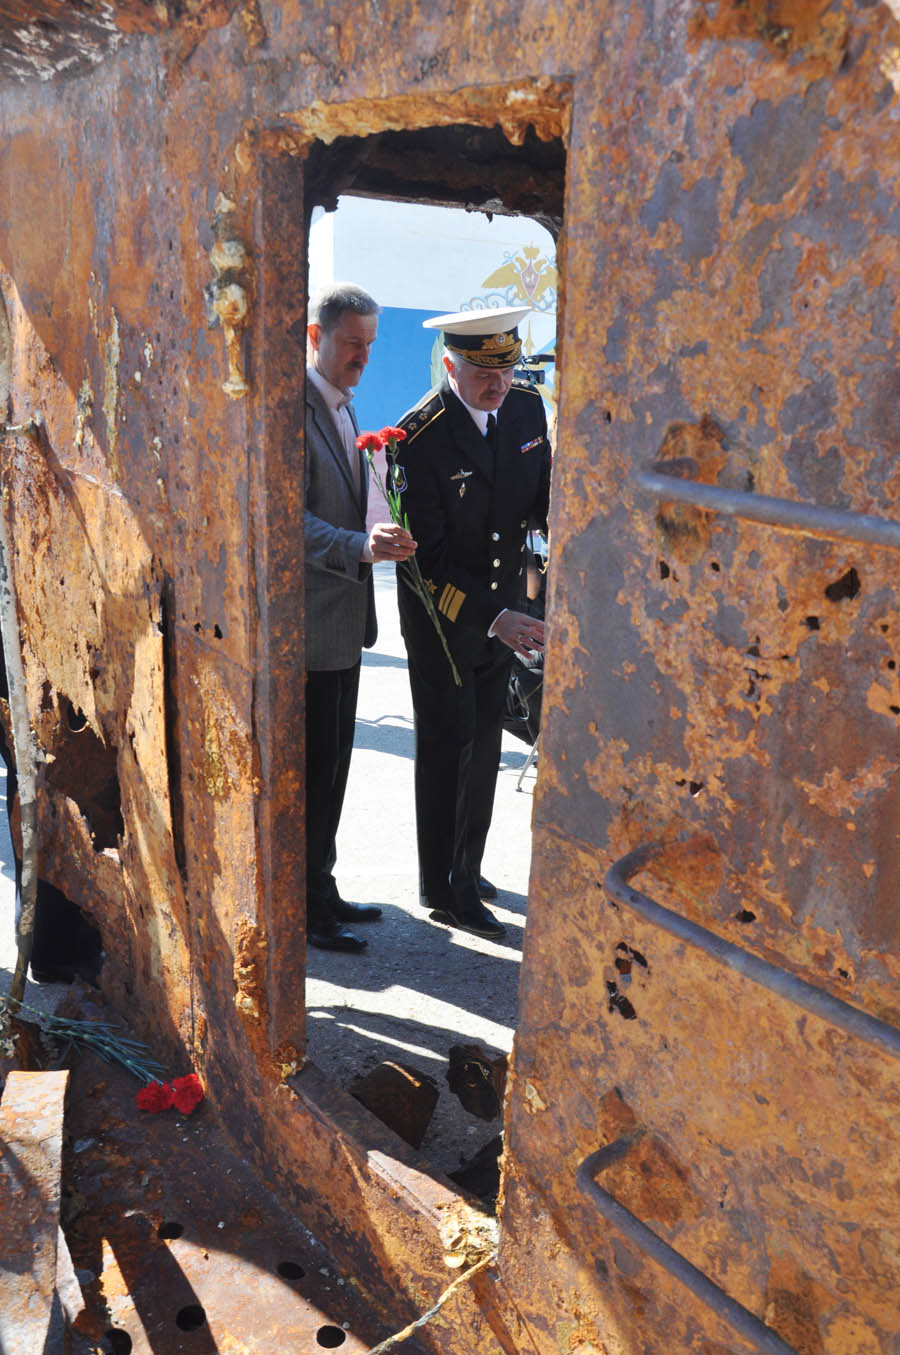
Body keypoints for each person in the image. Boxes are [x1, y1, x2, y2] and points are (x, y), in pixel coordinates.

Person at [394, 306, 551, 940]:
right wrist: (495, 618)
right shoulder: (419, 437)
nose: (500, 383)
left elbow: (539, 499)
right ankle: (450, 889)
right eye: (485, 372)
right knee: (450, 746)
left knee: (485, 743)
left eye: (508, 367)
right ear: (450, 365)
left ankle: (462, 867)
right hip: (448, 617)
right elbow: (422, 562)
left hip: (507, 608)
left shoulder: (525, 410)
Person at [304, 283, 417, 952]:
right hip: (313, 625)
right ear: (316, 339)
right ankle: (311, 908)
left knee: (337, 768)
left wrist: (387, 531)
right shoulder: (294, 411)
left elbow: (351, 505)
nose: (363, 357)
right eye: (352, 344)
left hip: (347, 622)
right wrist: (356, 546)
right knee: (316, 772)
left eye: (370, 346)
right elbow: (286, 519)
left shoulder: (344, 409)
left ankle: (325, 884)